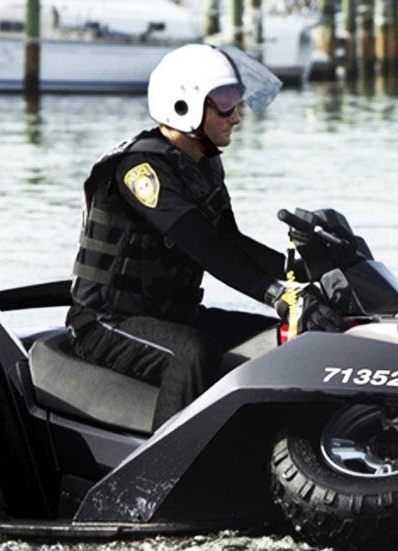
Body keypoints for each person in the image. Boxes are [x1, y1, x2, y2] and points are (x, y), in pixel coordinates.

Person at [66, 43, 340, 427]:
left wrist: (306, 269)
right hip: (107, 321)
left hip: (176, 315)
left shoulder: (203, 165)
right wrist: (280, 295)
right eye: (226, 103)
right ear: (184, 106)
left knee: (282, 337)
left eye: (237, 101)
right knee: (192, 353)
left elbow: (230, 241)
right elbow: (202, 245)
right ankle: (158, 477)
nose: (237, 116)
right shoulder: (140, 169)